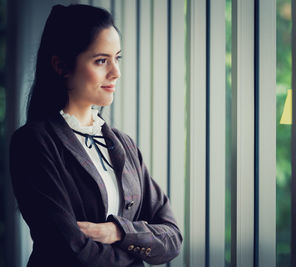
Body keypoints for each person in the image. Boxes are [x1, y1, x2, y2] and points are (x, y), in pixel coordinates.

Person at [9, 4, 182, 267]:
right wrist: (137, 249)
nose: (116, 72)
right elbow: (70, 250)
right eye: (101, 60)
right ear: (61, 65)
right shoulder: (34, 142)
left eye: (117, 58)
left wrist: (119, 232)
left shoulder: (124, 144)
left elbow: (172, 237)